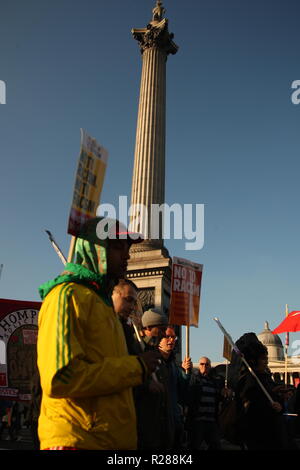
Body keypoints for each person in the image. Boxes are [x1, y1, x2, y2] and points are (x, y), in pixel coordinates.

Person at [37, 217, 161, 450]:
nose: (127, 256)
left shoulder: (104, 309)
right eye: (117, 247)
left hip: (109, 442)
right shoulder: (66, 297)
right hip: (77, 440)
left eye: (128, 248)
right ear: (94, 249)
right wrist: (137, 367)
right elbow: (60, 378)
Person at [235, 341, 288, 450]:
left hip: (272, 431)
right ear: (254, 361)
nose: (266, 362)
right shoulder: (248, 380)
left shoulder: (266, 378)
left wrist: (280, 406)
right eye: (263, 359)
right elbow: (250, 405)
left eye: (267, 358)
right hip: (257, 432)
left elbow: (276, 400)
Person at [158, 325, 192, 449]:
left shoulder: (173, 365)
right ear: (159, 340)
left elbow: (181, 390)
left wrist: (185, 372)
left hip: (174, 420)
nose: (172, 340)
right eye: (167, 337)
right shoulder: (153, 361)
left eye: (174, 337)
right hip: (159, 422)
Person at [186, 357, 223, 450]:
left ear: (210, 366)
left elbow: (218, 398)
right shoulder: (195, 380)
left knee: (216, 446)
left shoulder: (214, 382)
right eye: (202, 364)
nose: (204, 366)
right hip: (198, 421)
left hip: (211, 421)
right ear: (199, 366)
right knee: (194, 445)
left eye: (207, 364)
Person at [112, 278, 141, 355]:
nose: (132, 307)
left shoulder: (126, 331)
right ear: (112, 294)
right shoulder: (99, 323)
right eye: (128, 299)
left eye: (134, 303)